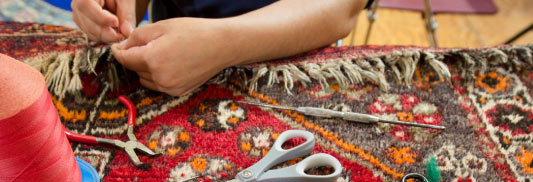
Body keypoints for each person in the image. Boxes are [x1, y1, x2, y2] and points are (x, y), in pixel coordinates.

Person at [71, 0, 373, 96]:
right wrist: (111, 8)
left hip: (293, 63)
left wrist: (225, 43)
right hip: (168, 54)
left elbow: (342, 6)